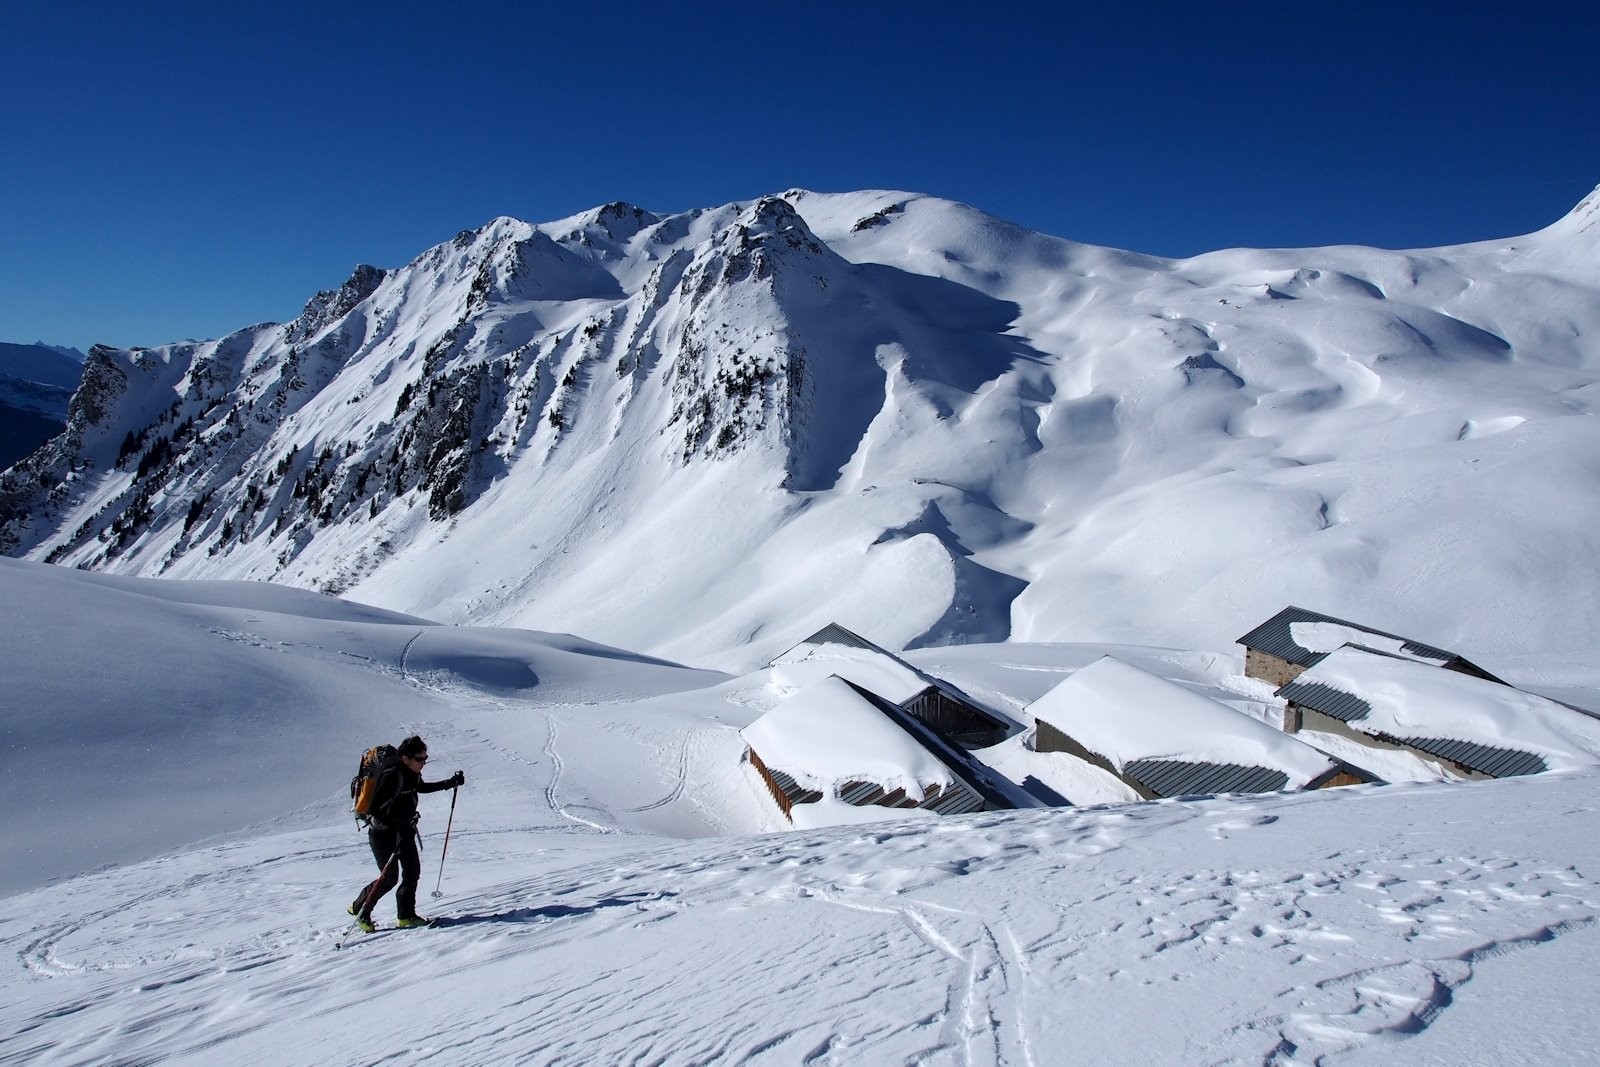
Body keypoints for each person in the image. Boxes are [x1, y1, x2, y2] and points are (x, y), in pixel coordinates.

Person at [348, 735, 464, 930]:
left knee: (412, 871)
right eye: (420, 759)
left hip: (404, 830)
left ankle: (406, 916)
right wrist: (399, 821)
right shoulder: (392, 774)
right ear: (405, 758)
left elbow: (420, 787)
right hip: (383, 834)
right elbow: (375, 809)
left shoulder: (411, 773)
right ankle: (360, 909)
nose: (423, 763)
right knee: (389, 878)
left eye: (425, 758)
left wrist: (449, 783)